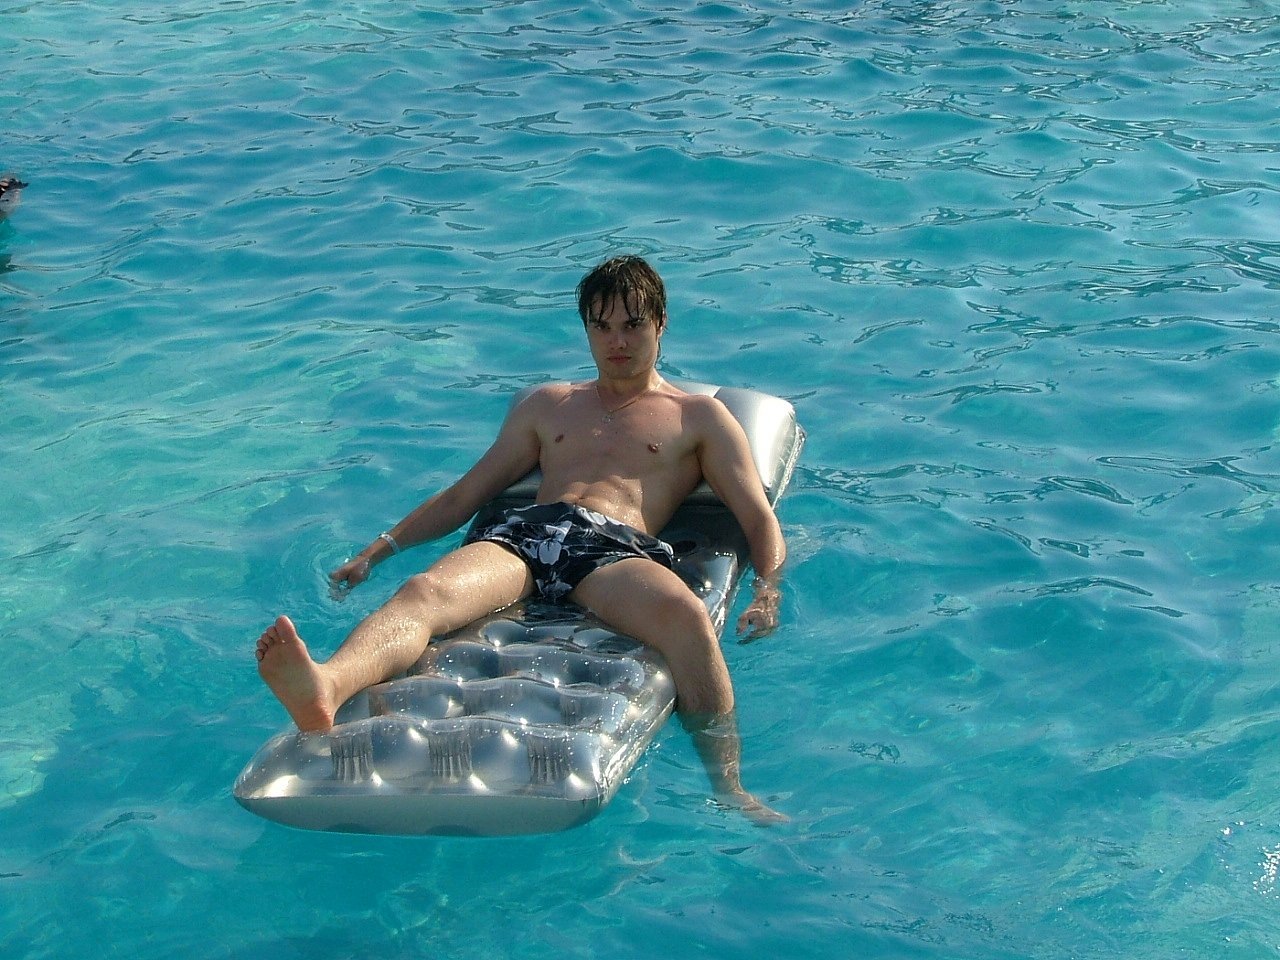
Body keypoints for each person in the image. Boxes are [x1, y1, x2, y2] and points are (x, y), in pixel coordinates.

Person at [256, 255, 788, 824]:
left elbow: (758, 518)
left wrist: (768, 590)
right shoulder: (550, 405)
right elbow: (465, 494)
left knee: (687, 619)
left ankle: (728, 784)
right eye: (602, 326)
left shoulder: (698, 416)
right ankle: (326, 686)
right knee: (424, 592)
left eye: (633, 325)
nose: (617, 341)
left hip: (612, 546)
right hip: (526, 535)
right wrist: (376, 552)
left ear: (661, 323)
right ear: (586, 329)